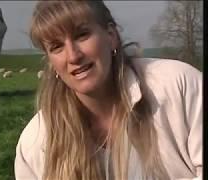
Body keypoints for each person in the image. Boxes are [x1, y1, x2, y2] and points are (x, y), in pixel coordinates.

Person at [14, 1, 202, 180]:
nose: (73, 56)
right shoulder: (36, 143)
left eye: (82, 35)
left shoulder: (179, 86)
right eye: (57, 47)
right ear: (51, 63)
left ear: (111, 36)